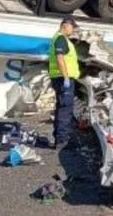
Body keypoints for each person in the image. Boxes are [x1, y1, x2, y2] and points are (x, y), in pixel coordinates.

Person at [48, 17, 80, 149]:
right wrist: (66, 77)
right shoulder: (61, 39)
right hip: (63, 78)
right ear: (65, 25)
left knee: (61, 107)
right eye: (73, 27)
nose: (73, 31)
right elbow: (60, 58)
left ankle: (59, 138)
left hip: (58, 77)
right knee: (65, 109)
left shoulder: (57, 38)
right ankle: (62, 141)